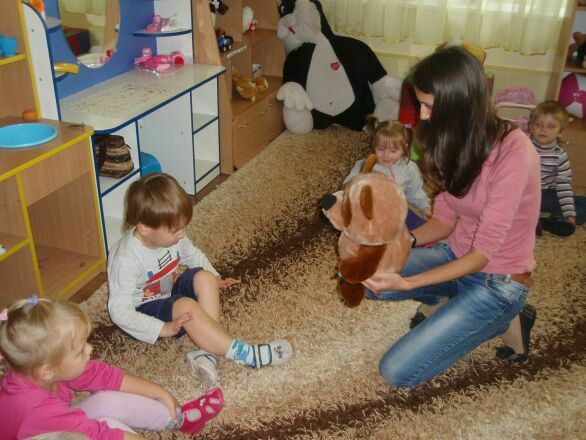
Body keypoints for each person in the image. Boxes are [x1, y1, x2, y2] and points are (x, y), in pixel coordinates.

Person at [362, 46, 541, 388]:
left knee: (397, 372)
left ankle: (507, 320)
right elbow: (444, 220)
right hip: (456, 254)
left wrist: (409, 282)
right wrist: (404, 242)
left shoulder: (515, 152)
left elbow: (483, 254)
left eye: (429, 106)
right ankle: (447, 298)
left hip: (498, 281)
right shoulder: (450, 136)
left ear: (459, 104)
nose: (423, 115)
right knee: (367, 275)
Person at [107, 173, 292, 387]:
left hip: (168, 293)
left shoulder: (175, 237)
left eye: (183, 227)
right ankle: (246, 354)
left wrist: (215, 277)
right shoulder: (126, 259)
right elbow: (119, 311)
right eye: (175, 230)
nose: (181, 235)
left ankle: (208, 351)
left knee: (205, 277)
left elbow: (192, 254)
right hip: (143, 311)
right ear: (144, 228)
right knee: (187, 306)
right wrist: (162, 328)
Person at [0, 296, 224, 439]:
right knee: (102, 427)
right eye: (80, 350)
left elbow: (105, 376)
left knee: (106, 400)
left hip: (53, 424)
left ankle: (177, 418)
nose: (90, 349)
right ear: (46, 371)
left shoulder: (42, 367)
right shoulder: (36, 410)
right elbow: (100, 435)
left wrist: (161, 393)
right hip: (44, 433)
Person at [343, 116, 432, 230]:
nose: (386, 155)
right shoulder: (364, 164)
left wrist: (425, 207)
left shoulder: (409, 168)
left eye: (393, 151)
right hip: (369, 211)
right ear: (374, 145)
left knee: (421, 229)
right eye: (380, 149)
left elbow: (415, 193)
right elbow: (347, 186)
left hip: (397, 210)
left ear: (404, 148)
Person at [529, 100, 576, 236]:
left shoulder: (560, 155)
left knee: (569, 201)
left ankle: (555, 220)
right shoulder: (524, 147)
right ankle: (531, 222)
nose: (543, 130)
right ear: (531, 127)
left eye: (551, 126)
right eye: (538, 125)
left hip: (546, 193)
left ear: (560, 132)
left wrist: (569, 214)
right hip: (525, 192)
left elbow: (563, 185)